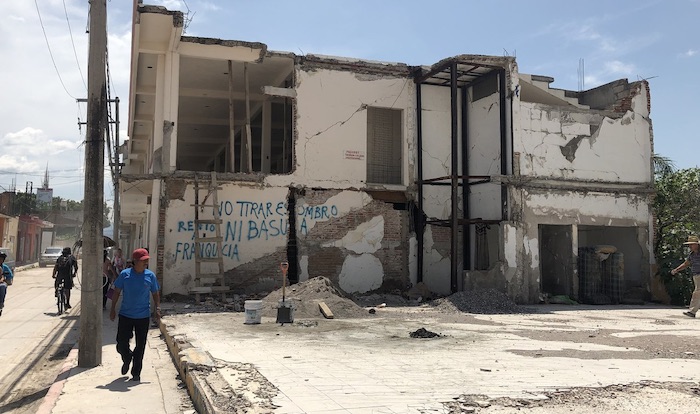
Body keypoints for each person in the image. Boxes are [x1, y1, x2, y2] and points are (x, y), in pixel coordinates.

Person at [109, 248, 161, 381]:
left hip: (143, 316)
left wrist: (157, 308)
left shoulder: (150, 276)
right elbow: (116, 292)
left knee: (140, 345)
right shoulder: (125, 275)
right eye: (143, 261)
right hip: (126, 315)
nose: (146, 263)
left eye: (147, 261)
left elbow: (155, 293)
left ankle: (136, 372)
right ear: (135, 261)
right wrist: (112, 308)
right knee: (121, 344)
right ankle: (127, 357)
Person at [671, 235, 700, 317]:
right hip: (696, 276)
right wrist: (676, 270)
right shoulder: (692, 255)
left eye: (692, 244)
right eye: (689, 245)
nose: (690, 246)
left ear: (697, 244)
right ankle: (692, 311)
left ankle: (692, 311)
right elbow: (686, 264)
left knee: (697, 292)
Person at [0, 252, 14, 317]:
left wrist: (4, 279)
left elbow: (10, 276)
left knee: (2, 287)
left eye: (1, 259)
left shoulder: (5, 267)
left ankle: (1, 303)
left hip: (1, 283)